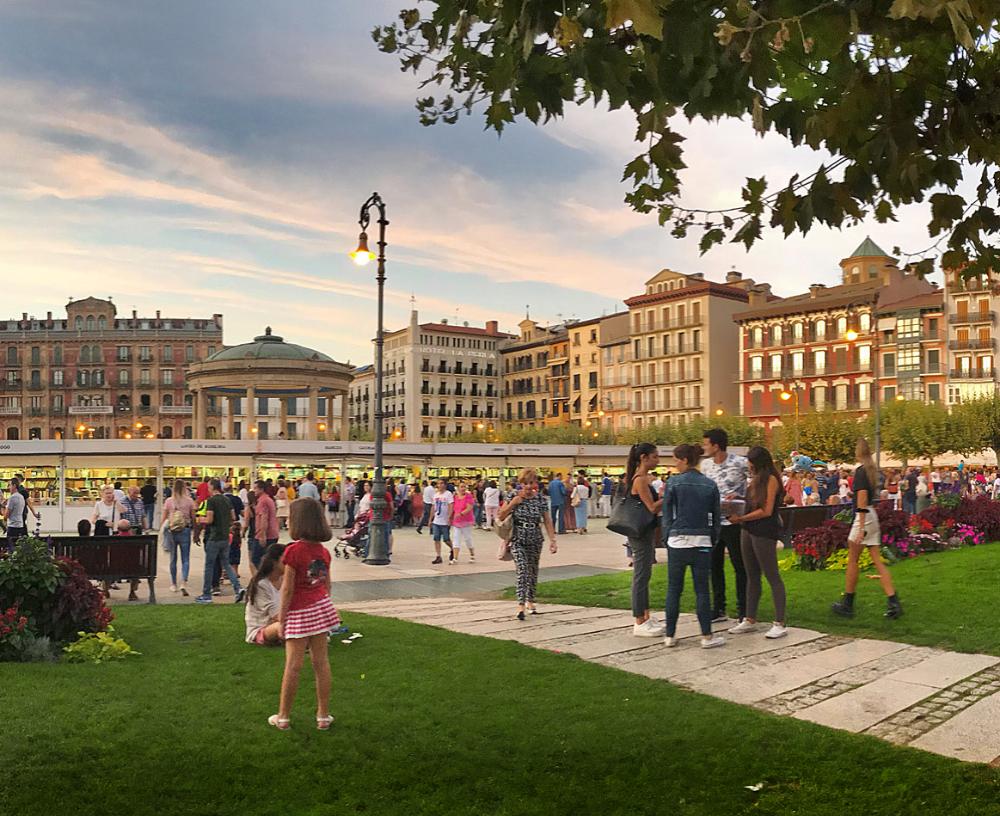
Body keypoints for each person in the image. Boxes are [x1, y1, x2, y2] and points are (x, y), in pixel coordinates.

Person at [270, 498, 339, 731]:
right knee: (321, 663)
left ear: (298, 522)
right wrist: (323, 602)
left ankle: (283, 717)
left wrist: (282, 619)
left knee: (293, 665)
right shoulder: (324, 552)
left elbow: (288, 589)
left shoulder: (293, 552)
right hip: (320, 609)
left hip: (299, 612)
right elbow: (327, 585)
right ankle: (323, 715)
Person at [662, 444, 725, 649]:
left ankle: (670, 635)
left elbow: (667, 513)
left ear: (685, 460)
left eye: (676, 460)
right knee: (702, 591)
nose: (675, 464)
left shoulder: (673, 483)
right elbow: (716, 517)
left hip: (677, 541)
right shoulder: (709, 484)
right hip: (702, 542)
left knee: (674, 589)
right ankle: (706, 636)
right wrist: (713, 539)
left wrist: (667, 537)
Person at [832, 439, 903, 619]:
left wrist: (861, 526)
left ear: (857, 452)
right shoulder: (873, 471)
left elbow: (861, 499)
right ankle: (893, 601)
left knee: (853, 560)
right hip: (872, 515)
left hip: (863, 517)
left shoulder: (861, 472)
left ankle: (848, 603)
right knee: (877, 561)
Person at [727, 446, 787, 639]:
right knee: (751, 574)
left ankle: (779, 622)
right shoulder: (755, 480)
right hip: (749, 529)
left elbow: (766, 510)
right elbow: (751, 502)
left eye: (750, 462)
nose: (748, 466)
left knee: (772, 575)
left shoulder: (770, 479)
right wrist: (738, 498)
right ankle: (749, 618)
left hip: (764, 530)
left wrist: (742, 519)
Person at [700, 428, 748, 624]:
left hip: (734, 521)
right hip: (712, 521)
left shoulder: (740, 463)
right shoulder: (705, 466)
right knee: (714, 566)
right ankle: (718, 607)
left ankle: (744, 609)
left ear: (716, 445)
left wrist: (743, 497)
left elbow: (756, 483)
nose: (704, 447)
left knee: (739, 565)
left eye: (706, 444)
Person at [497, 467, 557, 620]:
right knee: (522, 570)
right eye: (525, 483)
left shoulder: (540, 500)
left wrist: (552, 540)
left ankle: (531, 600)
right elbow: (501, 515)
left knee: (532, 570)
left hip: (535, 538)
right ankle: (520, 605)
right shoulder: (513, 495)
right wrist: (513, 504)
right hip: (518, 538)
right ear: (520, 484)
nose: (528, 487)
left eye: (531, 483)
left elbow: (547, 520)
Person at [624, 443, 665, 637]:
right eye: (655, 456)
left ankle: (645, 615)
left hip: (645, 531)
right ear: (643, 457)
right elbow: (652, 507)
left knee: (645, 574)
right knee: (641, 575)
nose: (658, 460)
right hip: (640, 532)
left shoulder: (643, 479)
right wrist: (668, 495)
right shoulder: (640, 480)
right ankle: (639, 620)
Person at [195, 479, 244, 605]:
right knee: (226, 564)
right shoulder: (226, 500)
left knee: (209, 566)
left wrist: (201, 519)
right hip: (225, 537)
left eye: (209, 487)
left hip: (214, 536)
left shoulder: (211, 501)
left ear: (212, 487)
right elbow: (233, 517)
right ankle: (238, 588)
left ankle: (206, 594)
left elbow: (210, 519)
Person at [245, 543, 286, 647]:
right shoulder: (261, 585)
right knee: (285, 626)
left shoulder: (285, 581)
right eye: (285, 559)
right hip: (262, 630)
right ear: (274, 562)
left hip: (280, 621)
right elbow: (276, 615)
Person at [162, 478, 195, 595]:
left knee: (173, 559)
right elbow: (193, 517)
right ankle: (184, 582)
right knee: (185, 559)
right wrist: (195, 531)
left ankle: (173, 584)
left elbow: (164, 517)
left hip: (172, 531)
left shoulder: (169, 501)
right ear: (184, 488)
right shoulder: (189, 501)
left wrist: (162, 531)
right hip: (185, 530)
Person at [253, 480, 280, 570]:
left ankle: (264, 579)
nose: (254, 490)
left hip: (267, 535)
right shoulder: (268, 499)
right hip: (273, 533)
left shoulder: (263, 501)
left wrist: (262, 535)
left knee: (257, 559)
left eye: (256, 488)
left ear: (261, 489)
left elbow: (264, 518)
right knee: (268, 560)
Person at [450, 480, 476, 563]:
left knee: (468, 539)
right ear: (458, 488)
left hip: (466, 521)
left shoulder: (468, 496)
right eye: (461, 487)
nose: (463, 488)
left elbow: (469, 508)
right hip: (456, 521)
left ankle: (472, 554)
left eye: (464, 487)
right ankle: (455, 558)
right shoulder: (455, 497)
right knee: (456, 539)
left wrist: (461, 514)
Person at [429, 479, 454, 565]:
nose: (440, 485)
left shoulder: (448, 494)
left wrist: (449, 517)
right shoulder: (435, 495)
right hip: (437, 520)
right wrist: (430, 519)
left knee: (446, 539)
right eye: (438, 484)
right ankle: (438, 556)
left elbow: (451, 506)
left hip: (445, 521)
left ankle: (452, 549)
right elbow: (433, 507)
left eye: (442, 483)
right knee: (436, 538)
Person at [4, 478, 25, 551]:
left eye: (9, 485)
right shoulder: (21, 497)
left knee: (11, 548)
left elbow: (6, 515)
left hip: (12, 526)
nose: (8, 487)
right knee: (19, 548)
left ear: (14, 485)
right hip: (20, 525)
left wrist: (2, 508)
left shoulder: (12, 498)